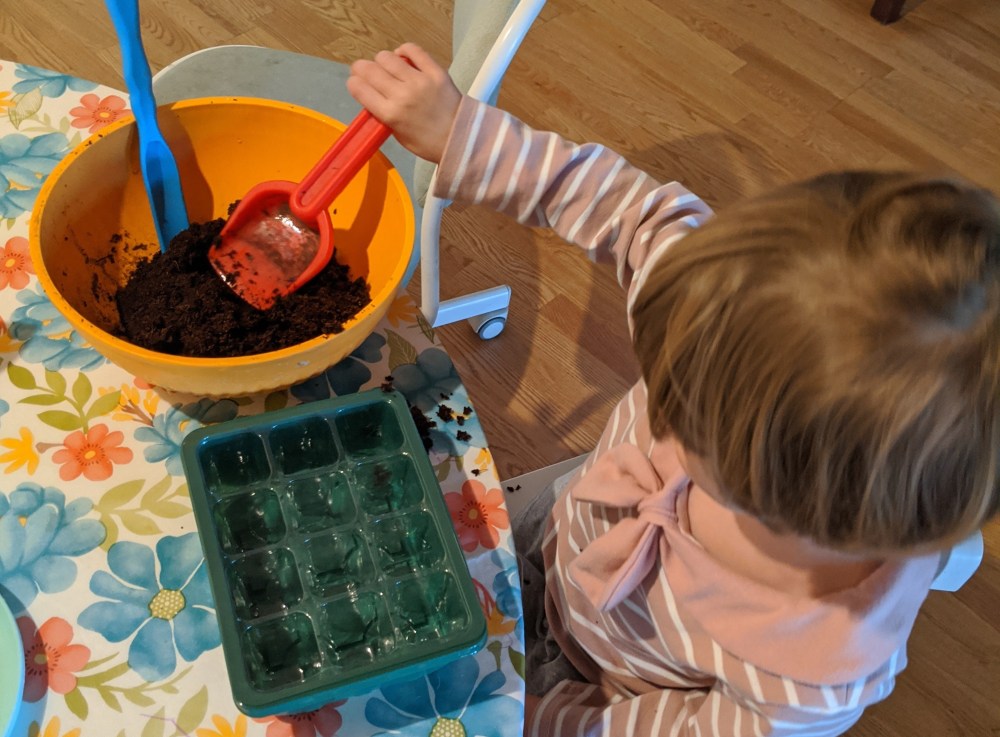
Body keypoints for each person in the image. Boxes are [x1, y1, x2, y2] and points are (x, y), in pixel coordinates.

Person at [347, 43, 1000, 736]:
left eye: (686, 427)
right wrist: (465, 135)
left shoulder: (815, 671)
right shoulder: (726, 310)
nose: (662, 410)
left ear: (787, 507)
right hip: (554, 546)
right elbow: (634, 211)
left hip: (590, 689)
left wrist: (522, 712)